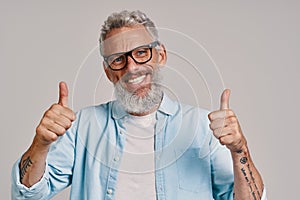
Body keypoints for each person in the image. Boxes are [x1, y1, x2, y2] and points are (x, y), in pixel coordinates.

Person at [11, 10, 267, 200]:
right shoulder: (81, 128)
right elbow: (27, 195)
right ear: (109, 71)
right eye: (118, 59)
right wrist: (40, 145)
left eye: (141, 52)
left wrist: (239, 150)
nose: (132, 68)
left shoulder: (202, 127)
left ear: (160, 56)